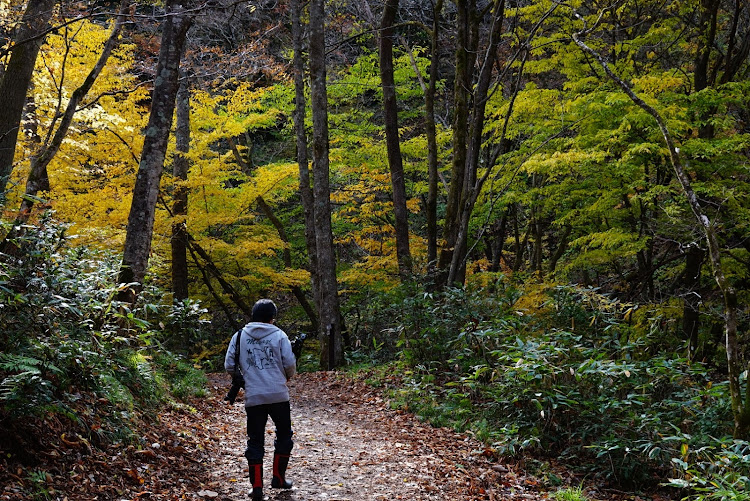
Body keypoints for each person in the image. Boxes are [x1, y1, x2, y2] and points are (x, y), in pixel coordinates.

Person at [225, 299, 297, 500]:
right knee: (284, 435)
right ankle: (279, 479)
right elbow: (289, 363)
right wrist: (286, 376)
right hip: (278, 394)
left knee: (255, 440)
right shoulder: (279, 335)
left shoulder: (239, 336)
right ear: (271, 317)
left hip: (254, 396)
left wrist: (245, 379)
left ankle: (256, 488)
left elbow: (229, 364)